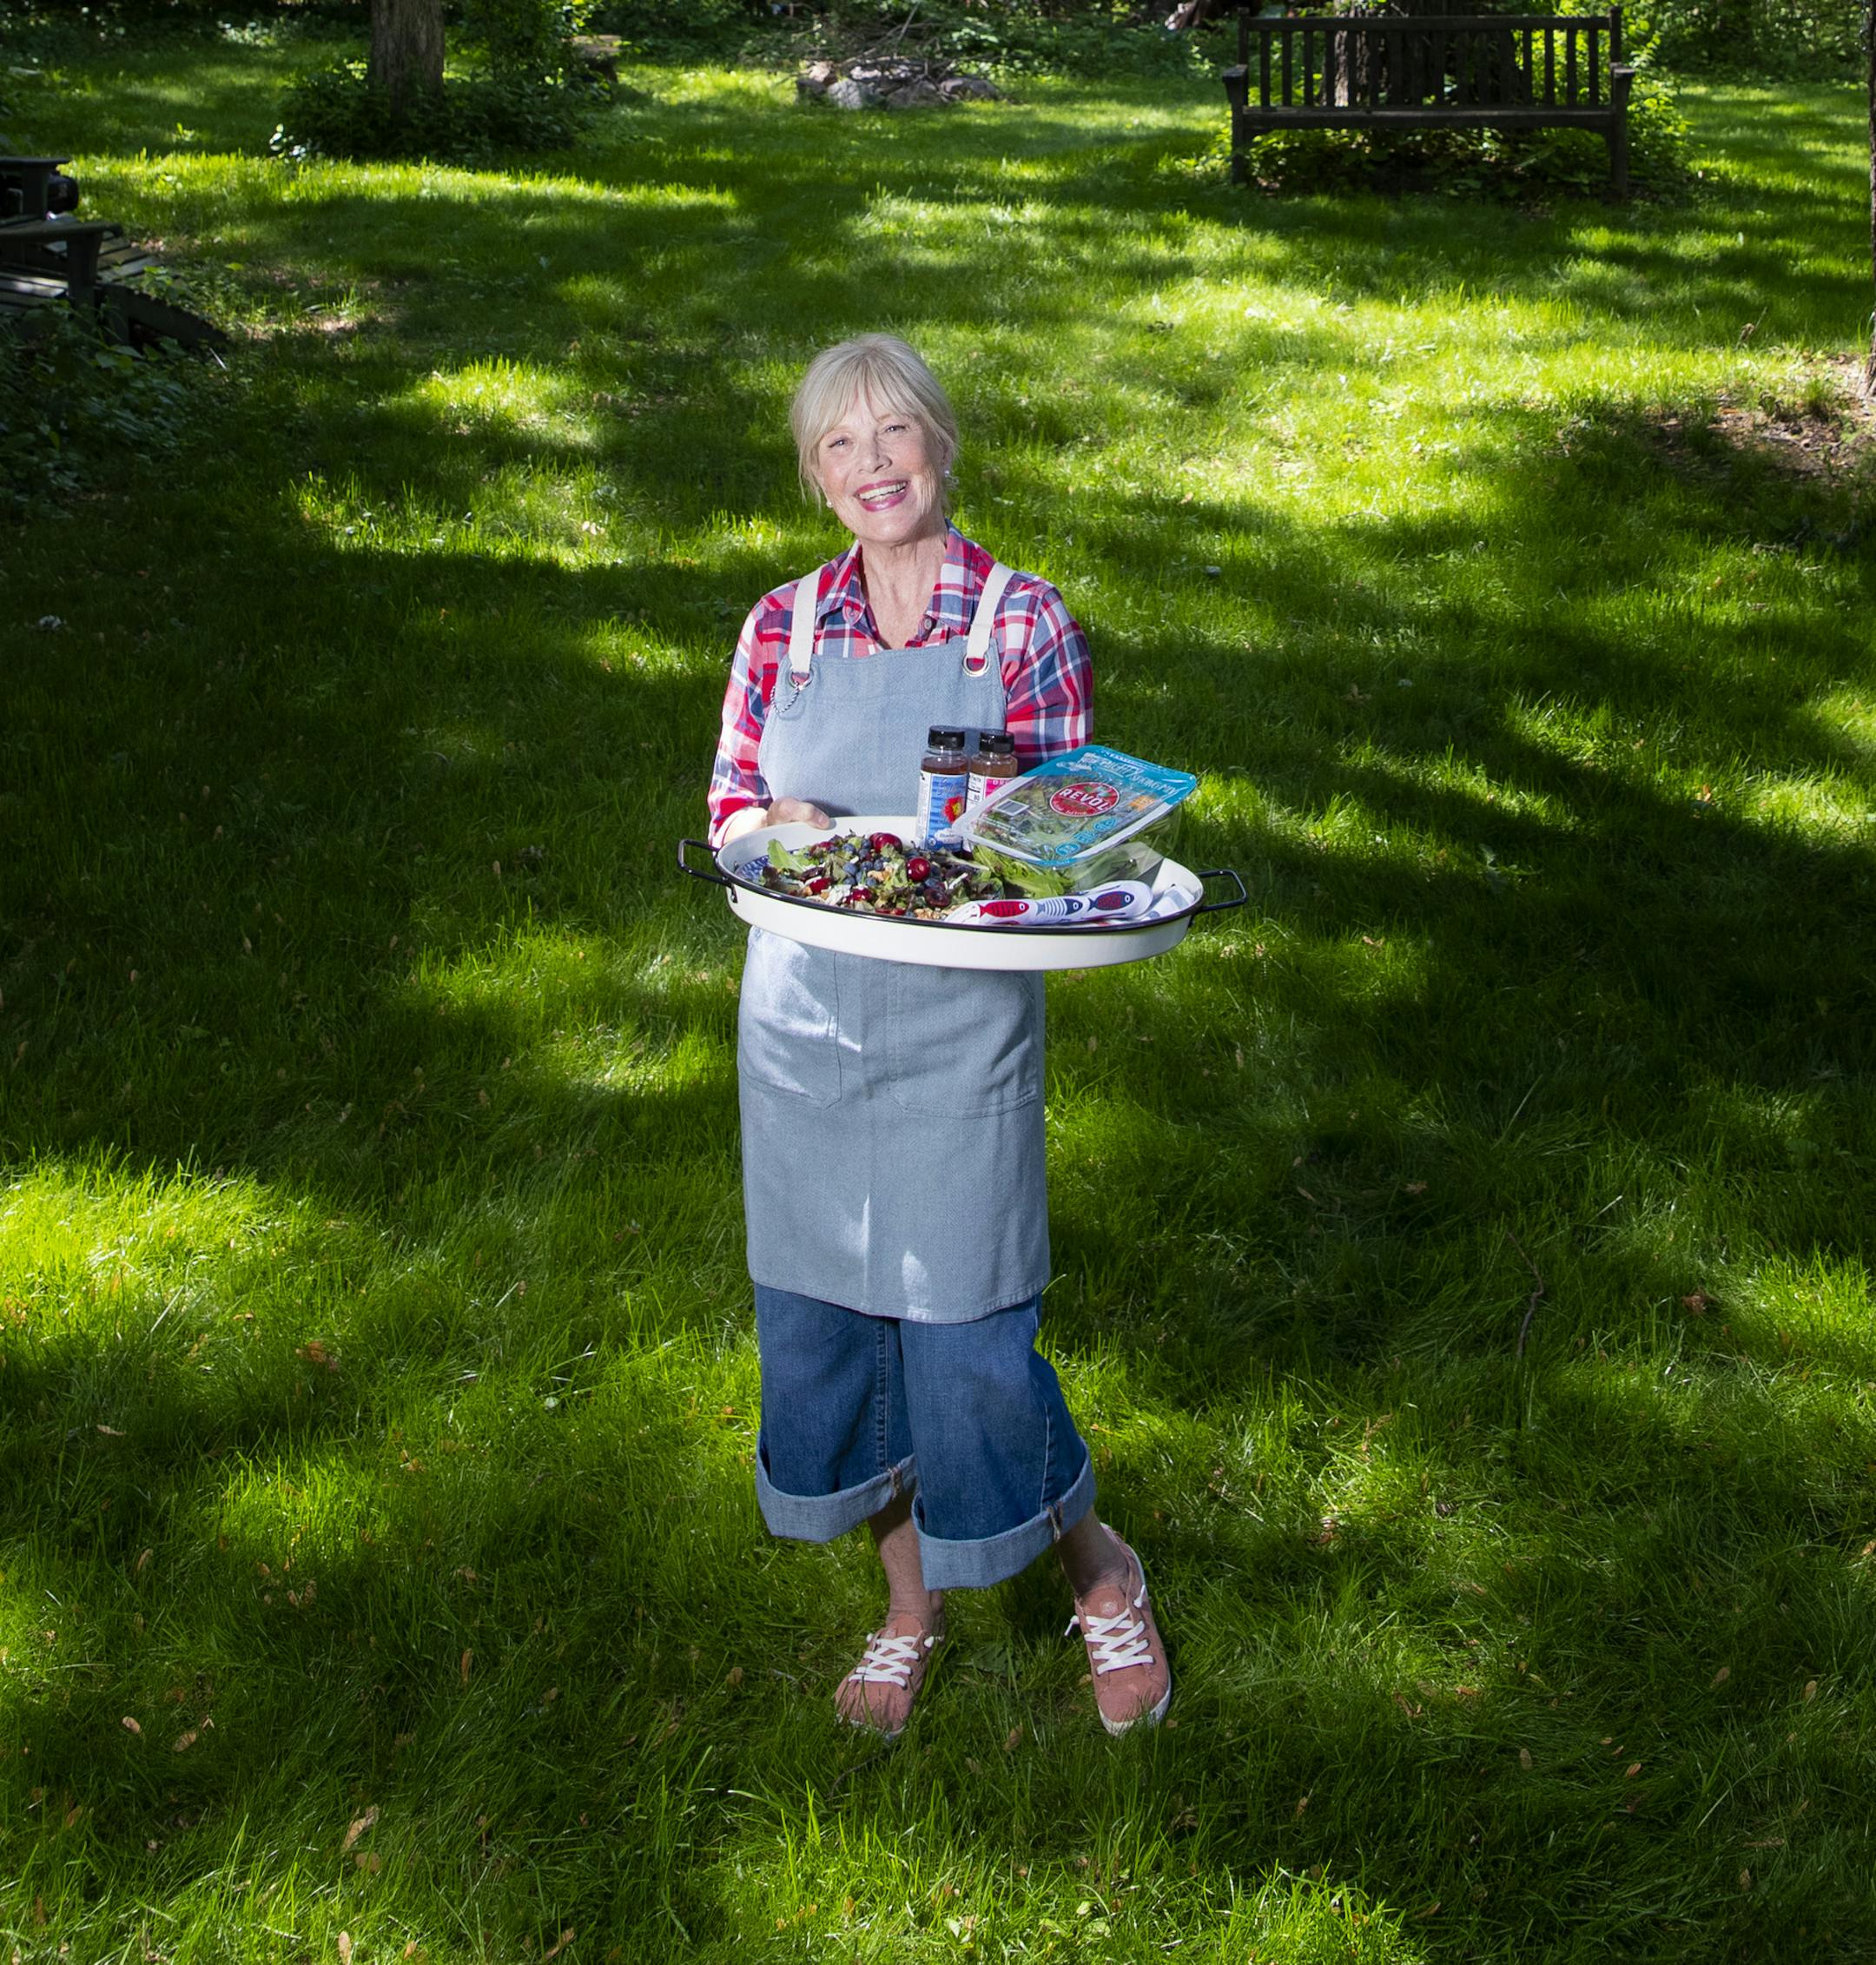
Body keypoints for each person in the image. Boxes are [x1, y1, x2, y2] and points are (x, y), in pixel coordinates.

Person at [708, 334, 1171, 1740]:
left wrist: (1021, 852)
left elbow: (1066, 833)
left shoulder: (1021, 622)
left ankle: (1100, 1570)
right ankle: (908, 1608)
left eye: (894, 433)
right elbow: (731, 813)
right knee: (830, 1337)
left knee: (969, 1342)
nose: (874, 467)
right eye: (840, 445)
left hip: (960, 1028)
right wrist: (776, 826)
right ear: (815, 475)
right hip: (803, 1026)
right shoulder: (781, 626)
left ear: (941, 445)